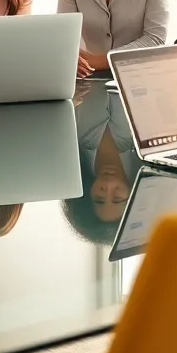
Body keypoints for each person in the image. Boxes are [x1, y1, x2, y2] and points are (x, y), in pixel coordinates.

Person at [62, 82, 137, 245]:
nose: (108, 185)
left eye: (99, 197)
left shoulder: (65, 141)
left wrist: (63, 101)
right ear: (133, 196)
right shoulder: (152, 147)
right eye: (117, 197)